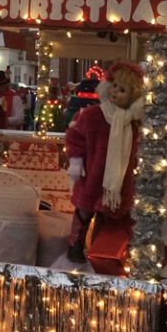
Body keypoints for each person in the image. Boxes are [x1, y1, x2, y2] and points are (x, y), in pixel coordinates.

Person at [65, 60, 145, 263]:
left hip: (118, 179)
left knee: (109, 214)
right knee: (84, 210)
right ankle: (76, 244)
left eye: (123, 90)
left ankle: (100, 252)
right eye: (115, 86)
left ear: (132, 96)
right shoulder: (93, 115)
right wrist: (76, 161)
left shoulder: (133, 123)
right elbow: (74, 137)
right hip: (92, 173)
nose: (115, 92)